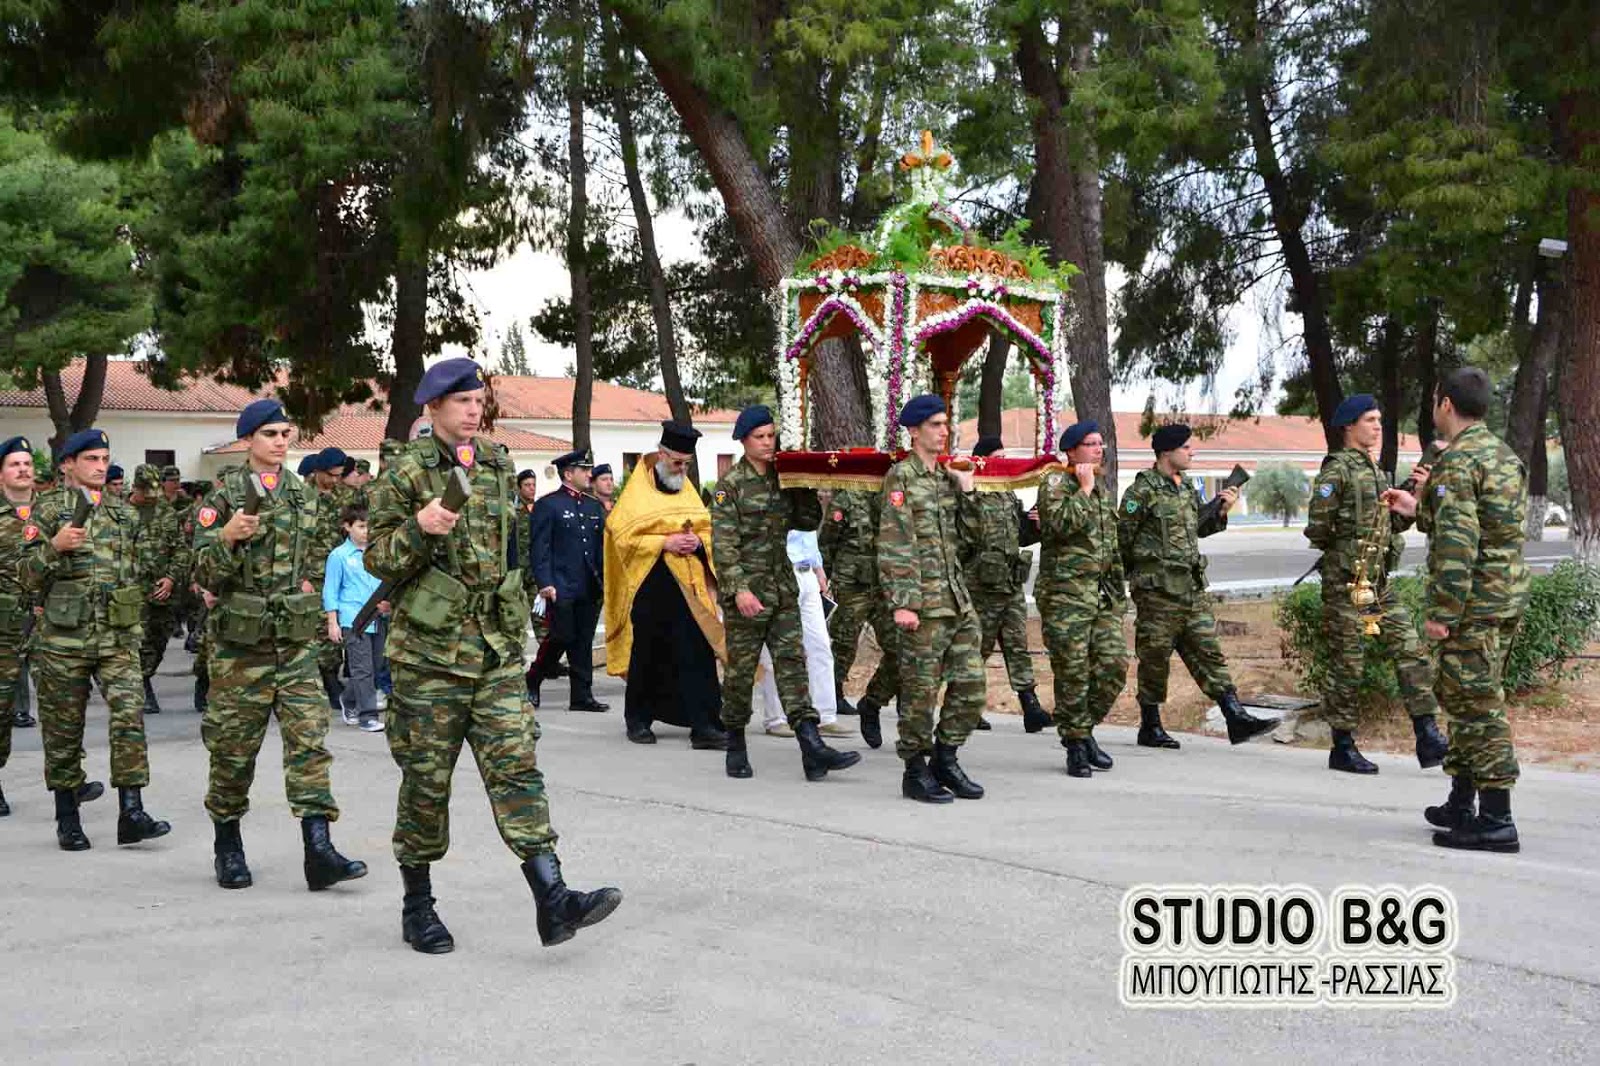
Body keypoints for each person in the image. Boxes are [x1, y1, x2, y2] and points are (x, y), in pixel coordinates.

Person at [367, 357, 621, 953]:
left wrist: (525, 601)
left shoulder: (498, 464)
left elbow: (514, 546)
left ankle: (552, 899)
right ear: (433, 408)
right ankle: (417, 906)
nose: (474, 409)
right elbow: (377, 557)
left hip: (494, 650)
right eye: (461, 401)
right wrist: (419, 528)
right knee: (427, 785)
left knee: (517, 769)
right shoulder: (405, 472)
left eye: (478, 399)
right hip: (430, 658)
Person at [192, 399, 366, 892]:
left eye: (286, 433)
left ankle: (319, 850)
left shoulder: (303, 495)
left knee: (310, 742)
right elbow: (201, 572)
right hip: (238, 649)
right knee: (232, 751)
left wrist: (311, 588)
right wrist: (224, 538)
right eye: (270, 433)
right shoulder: (222, 495)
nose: (280, 441)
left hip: (293, 645)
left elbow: (318, 557)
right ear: (248, 439)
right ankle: (228, 845)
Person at [1385, 367, 1529, 853]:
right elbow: (1491, 526)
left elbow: (1458, 544)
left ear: (1445, 404)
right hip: (1504, 598)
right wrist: (1416, 507)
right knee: (1469, 700)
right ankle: (1460, 802)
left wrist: (1442, 612)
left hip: (1472, 605)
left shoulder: (1459, 461)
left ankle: (1496, 818)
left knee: (1479, 706)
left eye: (1433, 402)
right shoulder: (1503, 456)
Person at [20, 429, 171, 850]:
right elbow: (24, 574)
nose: (101, 466)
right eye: (91, 458)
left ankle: (132, 811)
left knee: (129, 716)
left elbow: (136, 567)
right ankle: (68, 818)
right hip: (64, 639)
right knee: (64, 730)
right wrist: (53, 546)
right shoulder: (48, 511)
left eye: (105, 458)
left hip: (117, 638)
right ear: (68, 464)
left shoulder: (122, 513)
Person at [713, 405, 860, 782]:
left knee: (793, 665)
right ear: (744, 441)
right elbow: (724, 546)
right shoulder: (731, 486)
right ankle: (735, 744)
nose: (767, 443)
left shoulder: (783, 477)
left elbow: (807, 522)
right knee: (742, 672)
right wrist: (739, 590)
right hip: (747, 596)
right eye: (759, 437)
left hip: (781, 590)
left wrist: (804, 488)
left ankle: (811, 748)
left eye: (770, 436)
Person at [1306, 394, 1447, 774]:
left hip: (1376, 586)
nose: (1377, 426)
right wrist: (1348, 549)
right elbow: (1318, 528)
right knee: (1348, 664)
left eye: (1380, 419)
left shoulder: (1375, 470)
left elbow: (1391, 525)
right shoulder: (1337, 470)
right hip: (1348, 585)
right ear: (1349, 426)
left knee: (1410, 650)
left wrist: (1414, 495)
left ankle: (1427, 734)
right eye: (1370, 419)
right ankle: (1343, 745)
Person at [1118, 424, 1276, 748]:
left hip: (1190, 589)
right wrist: (1139, 579)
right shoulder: (1141, 492)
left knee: (1209, 650)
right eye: (1187, 447)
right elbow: (1123, 541)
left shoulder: (1187, 489)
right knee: (1155, 657)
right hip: (1157, 592)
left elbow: (1197, 532)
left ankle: (1236, 717)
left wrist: (1220, 511)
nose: (1193, 452)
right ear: (1167, 452)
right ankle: (1150, 725)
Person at [878, 394, 987, 803]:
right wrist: (903, 602)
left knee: (972, 685)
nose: (944, 431)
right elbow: (894, 543)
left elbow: (973, 540)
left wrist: (969, 492)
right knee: (921, 691)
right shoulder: (900, 478)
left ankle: (946, 756)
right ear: (914, 431)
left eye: (946, 424)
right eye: (936, 425)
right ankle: (915, 769)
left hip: (956, 600)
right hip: (922, 604)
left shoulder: (946, 479)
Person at [603, 424, 727, 748]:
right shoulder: (637, 491)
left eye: (687, 464)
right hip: (651, 583)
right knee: (647, 652)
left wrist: (697, 542)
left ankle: (705, 726)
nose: (682, 470)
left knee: (698, 652)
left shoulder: (685, 489)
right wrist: (664, 541)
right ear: (661, 454)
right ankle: (638, 720)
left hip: (689, 585)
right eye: (677, 463)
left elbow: (707, 528)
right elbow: (621, 534)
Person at [1035, 422, 1129, 778]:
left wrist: (1118, 595)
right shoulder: (1056, 484)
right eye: (1090, 444)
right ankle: (1076, 744)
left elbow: (1110, 548)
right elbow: (1058, 526)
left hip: (1101, 597)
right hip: (1066, 598)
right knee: (1073, 672)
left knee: (1113, 665)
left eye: (1101, 444)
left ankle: (1082, 729)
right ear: (1072, 451)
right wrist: (1085, 490)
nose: (1098, 450)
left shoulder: (1100, 491)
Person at [960, 436, 1048, 733]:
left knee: (1017, 645)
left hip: (1010, 585)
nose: (1004, 460)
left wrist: (1033, 524)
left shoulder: (1008, 495)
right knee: (977, 649)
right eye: (997, 456)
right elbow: (965, 538)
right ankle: (965, 707)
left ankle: (1030, 706)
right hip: (981, 586)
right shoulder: (973, 494)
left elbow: (1018, 537)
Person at [526, 449, 609, 713]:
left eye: (589, 470)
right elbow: (540, 547)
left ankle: (581, 695)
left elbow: (599, 549)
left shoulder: (592, 505)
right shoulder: (548, 505)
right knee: (561, 635)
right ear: (568, 473)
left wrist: (606, 580)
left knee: (583, 640)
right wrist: (544, 582)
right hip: (560, 584)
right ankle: (533, 677)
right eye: (584, 470)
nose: (589, 474)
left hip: (589, 583)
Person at [818, 484, 900, 748]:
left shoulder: (896, 495)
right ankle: (832, 696)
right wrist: (824, 578)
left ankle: (873, 701)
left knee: (901, 648)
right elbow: (828, 540)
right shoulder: (847, 498)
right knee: (843, 642)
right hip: (852, 583)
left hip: (886, 585)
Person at [754, 528, 853, 738]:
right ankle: (776, 718)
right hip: (778, 572)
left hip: (807, 574)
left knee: (821, 646)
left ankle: (824, 716)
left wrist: (818, 569)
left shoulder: (805, 499)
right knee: (777, 648)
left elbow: (808, 536)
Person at [0, 436, 41, 815]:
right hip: (4, 628)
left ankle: (67, 782)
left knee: (65, 705)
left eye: (27, 463)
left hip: (49, 625)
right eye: (15, 464)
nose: (23, 469)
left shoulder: (53, 511)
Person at [127, 464, 189, 717]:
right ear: (135, 488)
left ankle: (145, 676)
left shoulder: (165, 512)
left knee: (159, 639)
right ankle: (140, 688)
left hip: (162, 591)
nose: (152, 497)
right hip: (130, 593)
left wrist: (171, 578)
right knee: (136, 642)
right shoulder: (119, 512)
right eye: (146, 492)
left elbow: (182, 550)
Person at [324, 503, 387, 732]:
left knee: (374, 666)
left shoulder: (377, 552)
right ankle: (367, 715)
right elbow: (330, 590)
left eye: (368, 526)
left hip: (377, 617)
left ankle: (349, 700)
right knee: (363, 669)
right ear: (347, 527)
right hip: (353, 618)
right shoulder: (338, 556)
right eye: (360, 526)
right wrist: (333, 622)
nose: (365, 531)